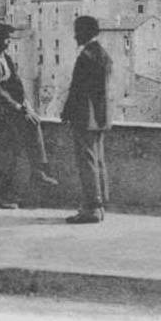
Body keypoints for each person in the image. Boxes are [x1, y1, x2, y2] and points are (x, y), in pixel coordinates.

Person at [0, 23, 58, 208]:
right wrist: (19, 108)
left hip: (5, 110)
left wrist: (26, 105)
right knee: (8, 151)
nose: (8, 41)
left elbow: (16, 85)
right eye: (5, 38)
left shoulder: (7, 59)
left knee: (33, 123)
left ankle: (38, 171)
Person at [61, 15, 112, 224]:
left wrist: (66, 112)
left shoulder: (86, 56)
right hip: (100, 117)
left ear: (85, 32)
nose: (74, 36)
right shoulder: (103, 55)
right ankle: (99, 206)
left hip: (84, 116)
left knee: (87, 162)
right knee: (98, 161)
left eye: (77, 31)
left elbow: (77, 89)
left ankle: (91, 208)